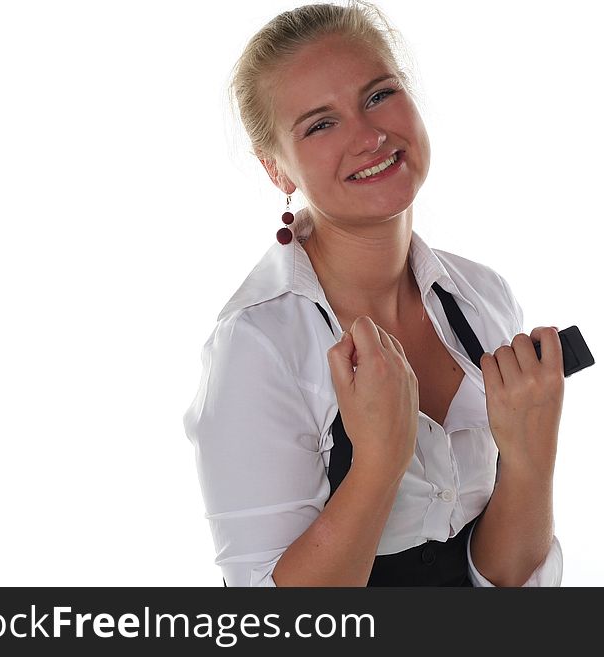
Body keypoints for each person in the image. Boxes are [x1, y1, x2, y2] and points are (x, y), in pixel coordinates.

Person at [183, 0, 564, 587]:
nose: (369, 135)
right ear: (277, 171)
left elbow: (506, 578)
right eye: (320, 124)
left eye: (379, 95)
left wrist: (532, 455)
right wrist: (379, 466)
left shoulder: (483, 299)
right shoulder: (258, 346)